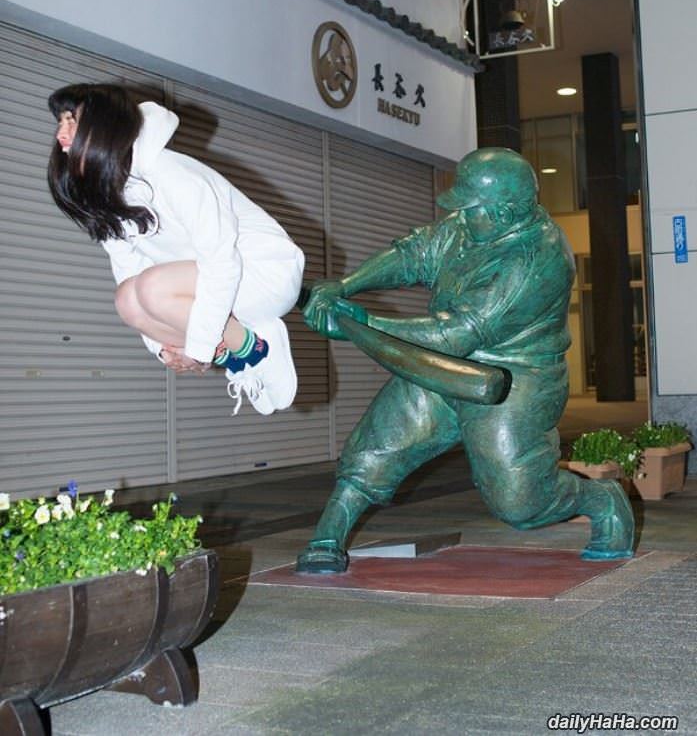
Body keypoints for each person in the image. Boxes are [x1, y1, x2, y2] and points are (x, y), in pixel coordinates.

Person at [297, 147, 634, 573]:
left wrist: (361, 325)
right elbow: (415, 254)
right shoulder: (467, 226)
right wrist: (345, 287)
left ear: (504, 213)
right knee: (377, 446)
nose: (459, 215)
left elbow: (456, 333)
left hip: (513, 378)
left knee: (520, 502)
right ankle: (328, 536)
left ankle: (601, 498)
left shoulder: (535, 260)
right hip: (442, 365)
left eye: (470, 208)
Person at [47, 83, 304, 415]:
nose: (61, 134)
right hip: (213, 288)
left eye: (72, 120)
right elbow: (127, 273)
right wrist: (165, 349)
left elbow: (221, 263)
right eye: (60, 121)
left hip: (265, 273)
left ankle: (257, 349)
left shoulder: (169, 173)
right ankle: (236, 354)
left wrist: (198, 348)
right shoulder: (110, 198)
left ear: (105, 126)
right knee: (126, 300)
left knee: (151, 288)